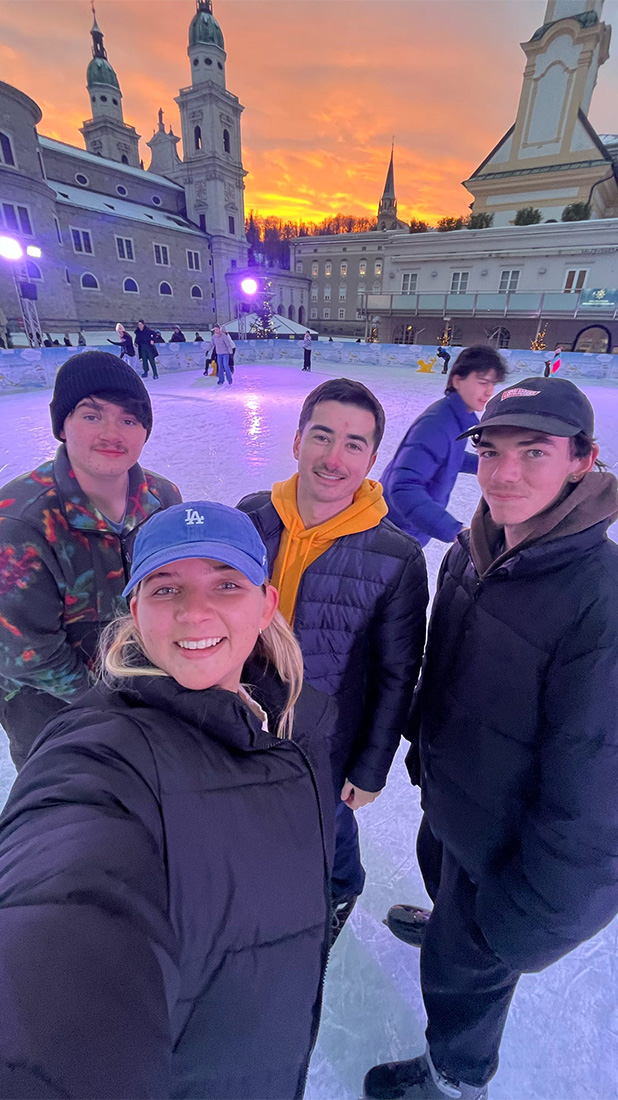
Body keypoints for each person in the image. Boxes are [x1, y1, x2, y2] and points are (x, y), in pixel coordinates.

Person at [0, 501, 335, 1100]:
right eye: (166, 588)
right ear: (135, 611)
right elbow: (66, 899)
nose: (194, 611)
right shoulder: (101, 753)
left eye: (226, 584)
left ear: (266, 604)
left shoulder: (293, 720)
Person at [365, 377, 618, 1100]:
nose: (503, 474)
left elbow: (597, 797)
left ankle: (455, 1078)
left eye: (533, 452)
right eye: (491, 452)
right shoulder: (471, 551)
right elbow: (443, 671)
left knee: (465, 981)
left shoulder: (601, 601)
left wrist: (526, 921)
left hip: (508, 855)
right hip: (453, 808)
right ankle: (448, 917)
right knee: (448, 908)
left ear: (582, 461)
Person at [238, 378, 428, 939]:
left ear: (371, 459)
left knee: (329, 823)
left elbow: (397, 676)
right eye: (322, 436)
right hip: (244, 719)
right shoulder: (251, 518)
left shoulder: (396, 556)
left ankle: (341, 886)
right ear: (298, 441)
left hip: (329, 742)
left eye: (353, 444)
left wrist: (370, 768)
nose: (333, 458)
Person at [0, 351, 181, 769]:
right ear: (62, 425)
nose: (111, 433)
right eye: (92, 415)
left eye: (129, 420)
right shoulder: (20, 521)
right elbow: (29, 654)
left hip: (150, 702)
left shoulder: (163, 499)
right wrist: (116, 706)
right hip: (55, 721)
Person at [381, 346, 506, 547]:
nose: (489, 391)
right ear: (457, 381)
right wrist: (455, 531)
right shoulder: (437, 424)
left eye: (492, 384)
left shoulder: (455, 418)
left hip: (407, 529)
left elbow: (447, 456)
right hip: (396, 532)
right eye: (483, 382)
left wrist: (490, 462)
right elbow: (403, 488)